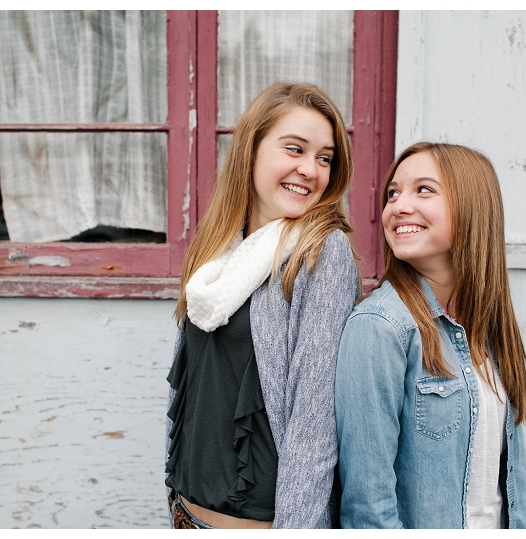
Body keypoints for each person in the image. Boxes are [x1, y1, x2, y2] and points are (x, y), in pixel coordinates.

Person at [165, 82, 360, 529]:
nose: (310, 169)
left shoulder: (321, 253)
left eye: (324, 158)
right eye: (295, 149)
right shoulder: (218, 252)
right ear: (251, 149)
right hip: (185, 515)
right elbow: (189, 392)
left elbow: (314, 426)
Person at [335, 142, 526, 529]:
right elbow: (367, 507)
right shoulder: (379, 328)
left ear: (473, 207)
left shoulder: (492, 330)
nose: (398, 206)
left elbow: (509, 484)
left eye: (422, 190)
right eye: (393, 193)